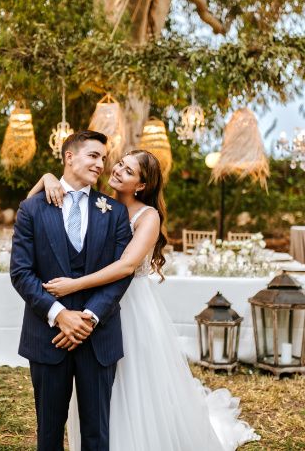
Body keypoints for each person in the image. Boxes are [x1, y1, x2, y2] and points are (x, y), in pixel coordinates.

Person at [30, 149, 259, 451]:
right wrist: (48, 178)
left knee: (135, 382)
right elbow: (31, 204)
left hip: (132, 307)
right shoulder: (101, 204)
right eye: (120, 165)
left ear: (141, 185)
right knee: (94, 384)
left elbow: (126, 266)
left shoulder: (147, 216)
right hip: (96, 302)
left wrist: (74, 285)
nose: (117, 171)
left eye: (128, 171)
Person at [10, 130, 134, 451]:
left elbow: (120, 275)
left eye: (103, 159)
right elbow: (21, 273)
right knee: (49, 434)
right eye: (93, 156)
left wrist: (89, 318)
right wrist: (59, 314)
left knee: (97, 434)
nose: (100, 164)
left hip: (98, 337)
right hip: (47, 336)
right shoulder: (32, 208)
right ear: (69, 157)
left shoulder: (114, 211)